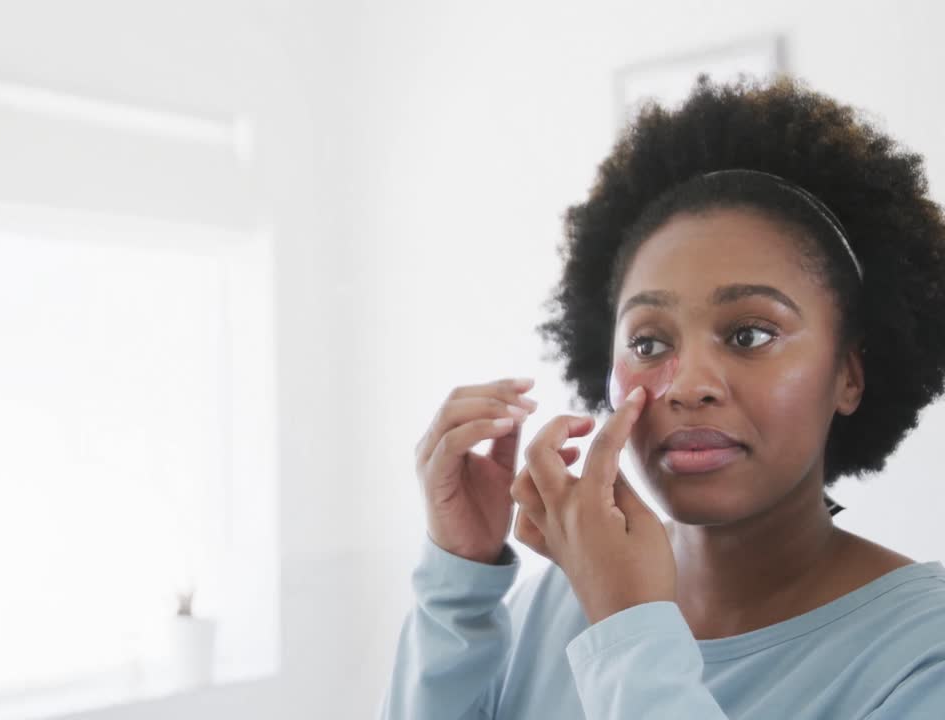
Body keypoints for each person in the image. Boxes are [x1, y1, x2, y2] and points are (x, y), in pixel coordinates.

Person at [379, 73, 945, 719]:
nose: (688, 385)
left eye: (749, 333)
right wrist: (459, 586)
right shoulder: (556, 604)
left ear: (849, 375)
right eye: (648, 344)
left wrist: (628, 628)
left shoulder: (922, 656)